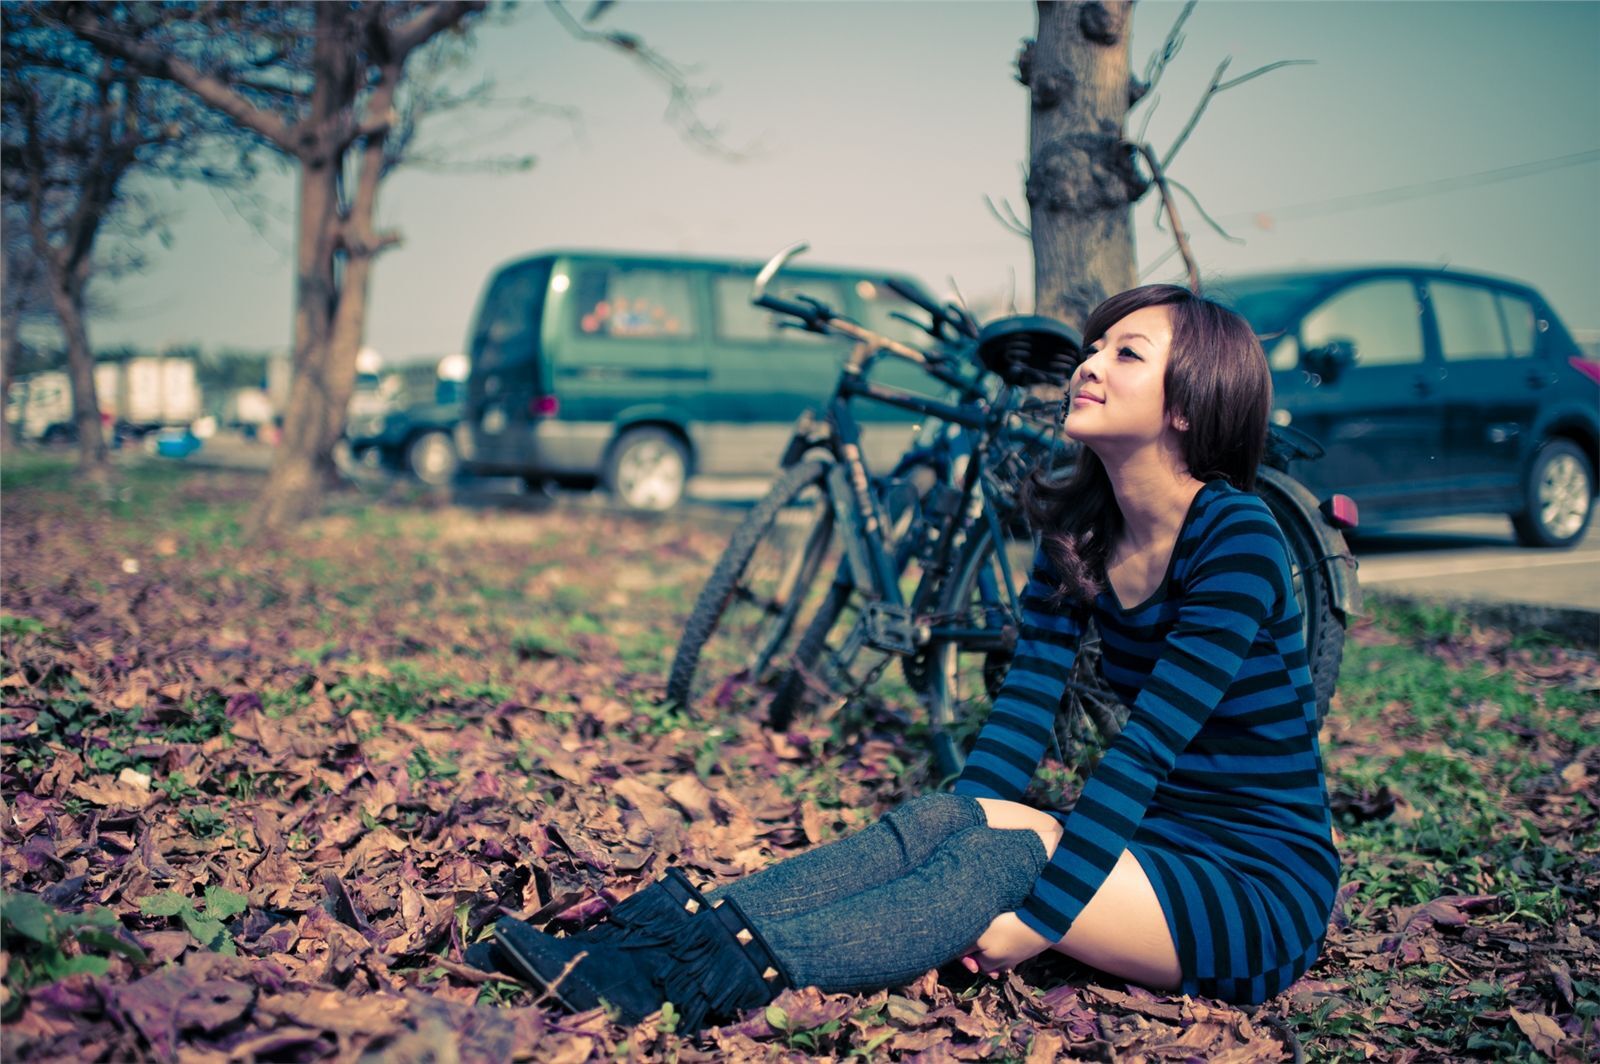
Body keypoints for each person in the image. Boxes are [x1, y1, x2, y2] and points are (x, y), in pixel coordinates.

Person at [473, 284, 1342, 1032]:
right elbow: (1018, 719)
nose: (1088, 365)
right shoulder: (1080, 529)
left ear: (1189, 400)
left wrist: (1039, 920)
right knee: (952, 816)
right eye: (1092, 348)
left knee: (1023, 850)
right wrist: (949, 829)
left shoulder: (1238, 535)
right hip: (1149, 845)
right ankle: (660, 937)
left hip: (1253, 883)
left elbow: (1148, 747)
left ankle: (696, 983)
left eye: (1127, 354)